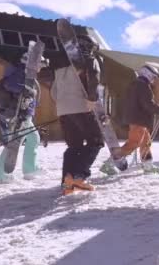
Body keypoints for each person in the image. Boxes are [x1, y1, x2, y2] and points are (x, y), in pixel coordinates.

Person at [51, 34, 113, 195]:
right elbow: (94, 77)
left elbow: (54, 92)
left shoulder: (58, 65)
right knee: (96, 141)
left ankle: (68, 181)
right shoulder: (88, 59)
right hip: (83, 106)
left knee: (74, 146)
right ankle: (79, 177)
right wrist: (92, 99)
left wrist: (64, 105)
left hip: (63, 110)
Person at [0, 52, 47, 182]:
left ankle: (29, 169)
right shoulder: (21, 72)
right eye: (40, 64)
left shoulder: (25, 74)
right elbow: (12, 86)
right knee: (14, 143)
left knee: (32, 139)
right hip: (16, 114)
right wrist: (28, 90)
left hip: (21, 114)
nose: (41, 67)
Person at [118, 65, 159, 173]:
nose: (154, 80)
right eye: (153, 77)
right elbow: (147, 104)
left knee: (146, 142)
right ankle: (112, 163)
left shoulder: (135, 85)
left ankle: (148, 166)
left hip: (138, 119)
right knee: (134, 142)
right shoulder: (142, 86)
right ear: (147, 74)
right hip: (138, 119)